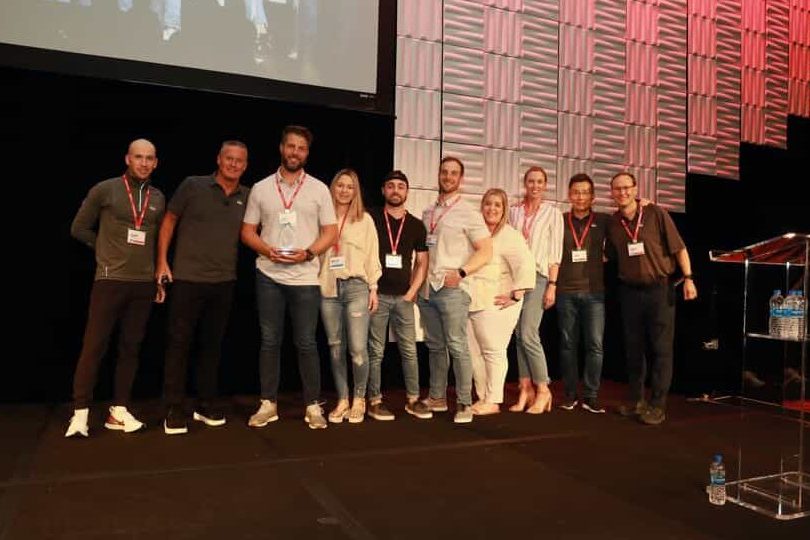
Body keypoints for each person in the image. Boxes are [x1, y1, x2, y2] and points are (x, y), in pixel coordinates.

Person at [65, 139, 166, 437]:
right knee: (94, 346)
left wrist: (158, 275)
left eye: (149, 158)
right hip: (110, 281)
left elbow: (159, 238)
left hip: (143, 284)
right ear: (127, 159)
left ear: (156, 162)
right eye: (138, 157)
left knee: (130, 348)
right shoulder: (105, 189)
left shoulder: (158, 197)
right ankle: (80, 413)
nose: (144, 163)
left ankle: (119, 410)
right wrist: (104, 252)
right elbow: (78, 228)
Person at [241, 125, 337, 430]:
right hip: (268, 275)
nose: (295, 152)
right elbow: (247, 232)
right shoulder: (261, 187)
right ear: (281, 148)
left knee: (307, 342)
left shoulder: (320, 189)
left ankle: (312, 405)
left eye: (301, 148)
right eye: (291, 146)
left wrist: (309, 253)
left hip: (306, 277)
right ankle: (268, 403)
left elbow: (331, 232)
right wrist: (267, 250)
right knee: (269, 341)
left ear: (306, 153)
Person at [156, 141, 250, 435]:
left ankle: (205, 403)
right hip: (187, 279)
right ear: (219, 159)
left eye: (239, 161)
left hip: (224, 282)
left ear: (245, 166)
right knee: (179, 345)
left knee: (212, 346)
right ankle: (173, 407)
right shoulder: (193, 185)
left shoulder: (247, 196)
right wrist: (161, 262)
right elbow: (169, 221)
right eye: (229, 159)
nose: (233, 165)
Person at [606, 172, 698, 425]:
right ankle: (637, 400)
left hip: (659, 289)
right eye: (617, 189)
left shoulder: (656, 213)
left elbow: (679, 248)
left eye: (626, 187)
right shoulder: (613, 222)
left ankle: (658, 405)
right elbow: (609, 255)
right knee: (633, 350)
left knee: (660, 349)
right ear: (611, 193)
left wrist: (688, 278)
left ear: (635, 189)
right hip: (629, 292)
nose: (622, 192)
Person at [418, 157, 492, 424]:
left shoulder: (469, 213)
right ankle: (437, 397)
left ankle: (464, 403)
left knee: (458, 346)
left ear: (461, 179)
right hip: (428, 289)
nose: (448, 177)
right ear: (439, 175)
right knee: (436, 346)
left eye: (453, 174)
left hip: (452, 290)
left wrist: (461, 273)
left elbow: (486, 250)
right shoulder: (428, 212)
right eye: (444, 172)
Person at [366, 170, 432, 421]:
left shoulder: (416, 225)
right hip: (377, 295)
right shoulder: (370, 217)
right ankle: (374, 400)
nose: (396, 190)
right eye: (391, 186)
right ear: (383, 190)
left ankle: (413, 400)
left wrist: (412, 292)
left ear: (407, 192)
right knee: (376, 351)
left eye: (401, 186)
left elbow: (422, 262)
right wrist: (369, 288)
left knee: (409, 350)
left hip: (404, 298)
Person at [318, 169, 381, 424]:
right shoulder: (323, 219)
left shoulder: (364, 220)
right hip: (328, 288)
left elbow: (372, 255)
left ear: (356, 192)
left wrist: (374, 288)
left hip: (356, 287)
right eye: (340, 185)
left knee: (357, 349)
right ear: (333, 188)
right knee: (335, 348)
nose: (344, 190)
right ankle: (342, 399)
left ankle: (359, 398)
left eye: (349, 187)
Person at [467, 189, 535, 415]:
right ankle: (483, 397)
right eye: (488, 204)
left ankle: (494, 400)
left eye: (497, 205)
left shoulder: (510, 235)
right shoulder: (476, 232)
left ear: (504, 209)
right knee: (474, 351)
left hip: (499, 301)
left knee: (493, 350)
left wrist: (516, 295)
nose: (492, 209)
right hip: (473, 299)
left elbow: (525, 264)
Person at [508, 166, 564, 413]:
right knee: (519, 334)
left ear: (546, 184)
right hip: (516, 279)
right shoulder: (514, 211)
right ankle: (525, 389)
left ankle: (543, 389)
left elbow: (555, 253)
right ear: (525, 183)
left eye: (540, 181)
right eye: (531, 181)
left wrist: (552, 285)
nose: (535, 185)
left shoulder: (553, 214)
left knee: (529, 333)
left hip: (540, 277)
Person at [556, 173, 609, 414]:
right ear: (569, 195)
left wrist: (644, 204)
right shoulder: (559, 220)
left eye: (585, 192)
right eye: (576, 192)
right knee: (568, 345)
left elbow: (630, 222)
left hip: (594, 292)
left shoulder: (605, 221)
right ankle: (569, 394)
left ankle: (591, 395)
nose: (580, 196)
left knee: (595, 345)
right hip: (565, 291)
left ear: (593, 196)